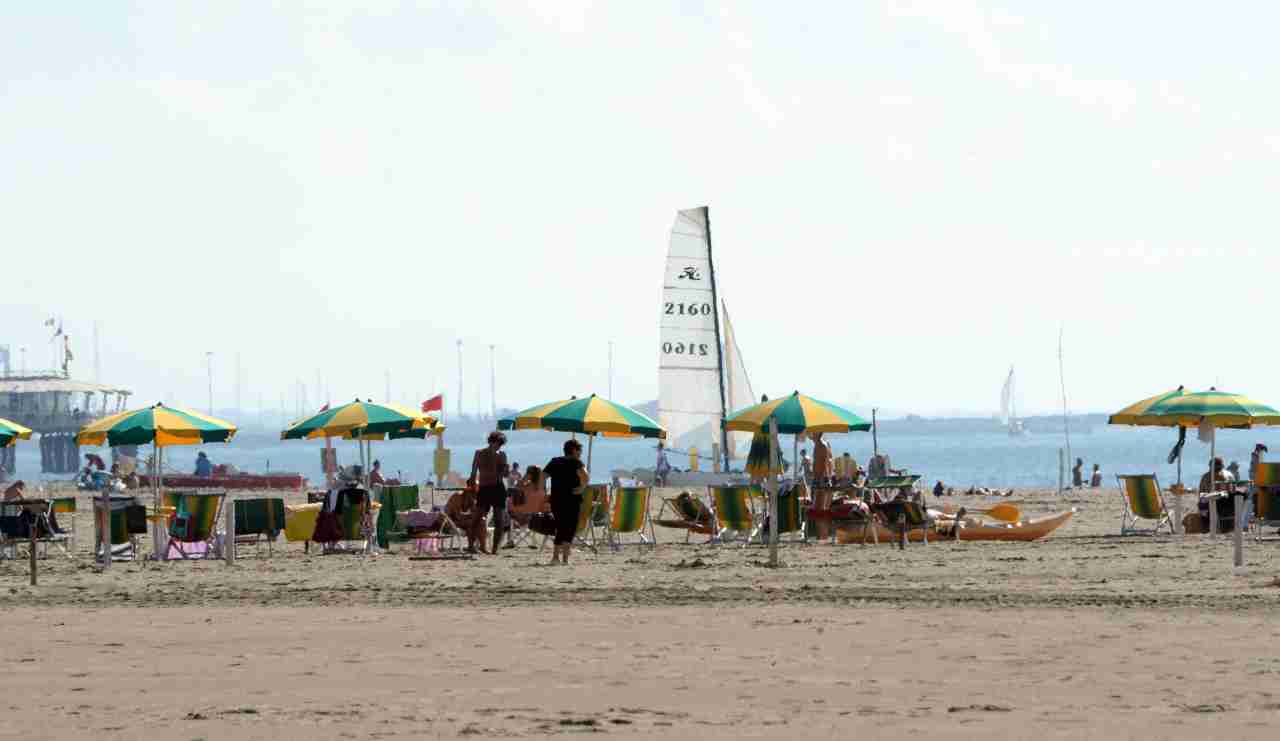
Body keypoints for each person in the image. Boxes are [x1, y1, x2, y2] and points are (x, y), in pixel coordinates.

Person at [543, 439, 588, 565]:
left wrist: (544, 492)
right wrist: (582, 488)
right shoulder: (576, 462)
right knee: (570, 528)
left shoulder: (555, 461)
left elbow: (543, 477)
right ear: (574, 450)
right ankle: (565, 560)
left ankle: (555, 557)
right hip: (572, 498)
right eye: (580, 451)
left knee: (560, 527)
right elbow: (585, 476)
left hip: (556, 499)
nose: (580, 454)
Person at [468, 431, 510, 555]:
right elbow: (473, 473)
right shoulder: (479, 453)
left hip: (498, 488)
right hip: (484, 488)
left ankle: (494, 549)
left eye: (500, 445)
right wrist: (472, 489)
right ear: (491, 441)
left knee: (499, 520)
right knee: (477, 519)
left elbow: (504, 475)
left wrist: (505, 470)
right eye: (497, 443)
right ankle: (471, 545)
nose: (498, 446)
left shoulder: (501, 455)